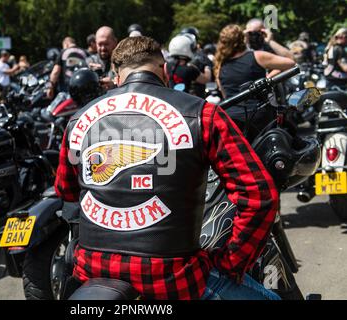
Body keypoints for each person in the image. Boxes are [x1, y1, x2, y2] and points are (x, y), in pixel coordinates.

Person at [55, 36, 280, 300]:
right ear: (164, 71)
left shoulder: (78, 120)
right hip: (176, 281)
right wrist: (232, 262)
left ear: (117, 77)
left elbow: (66, 190)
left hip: (92, 274)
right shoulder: (203, 115)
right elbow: (259, 195)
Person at [214, 24, 295, 142]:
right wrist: (270, 41)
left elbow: (224, 94)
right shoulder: (257, 56)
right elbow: (290, 61)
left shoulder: (220, 65)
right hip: (258, 117)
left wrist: (268, 77)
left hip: (230, 119)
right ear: (243, 38)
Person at [177, 27, 213, 98]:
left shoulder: (173, 58)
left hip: (178, 96)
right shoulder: (200, 56)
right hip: (195, 96)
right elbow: (207, 78)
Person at [86, 26, 118, 92]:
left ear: (115, 42)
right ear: (95, 43)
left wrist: (114, 83)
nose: (103, 48)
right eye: (100, 44)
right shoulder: (88, 62)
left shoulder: (123, 62)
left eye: (106, 44)